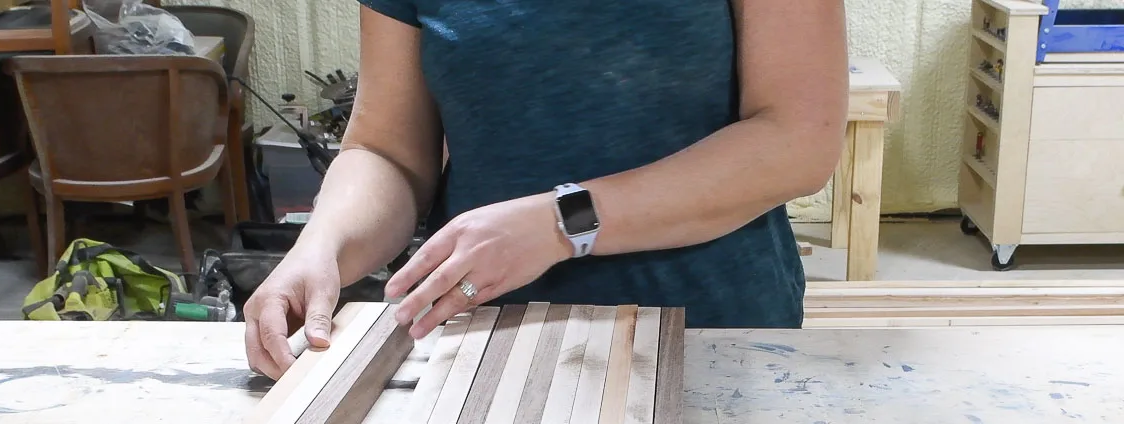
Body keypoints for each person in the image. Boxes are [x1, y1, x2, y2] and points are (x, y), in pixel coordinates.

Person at [244, 0, 849, 380]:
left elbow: (796, 139)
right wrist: (321, 247)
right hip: (488, 341)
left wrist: (567, 220)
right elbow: (388, 150)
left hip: (711, 333)